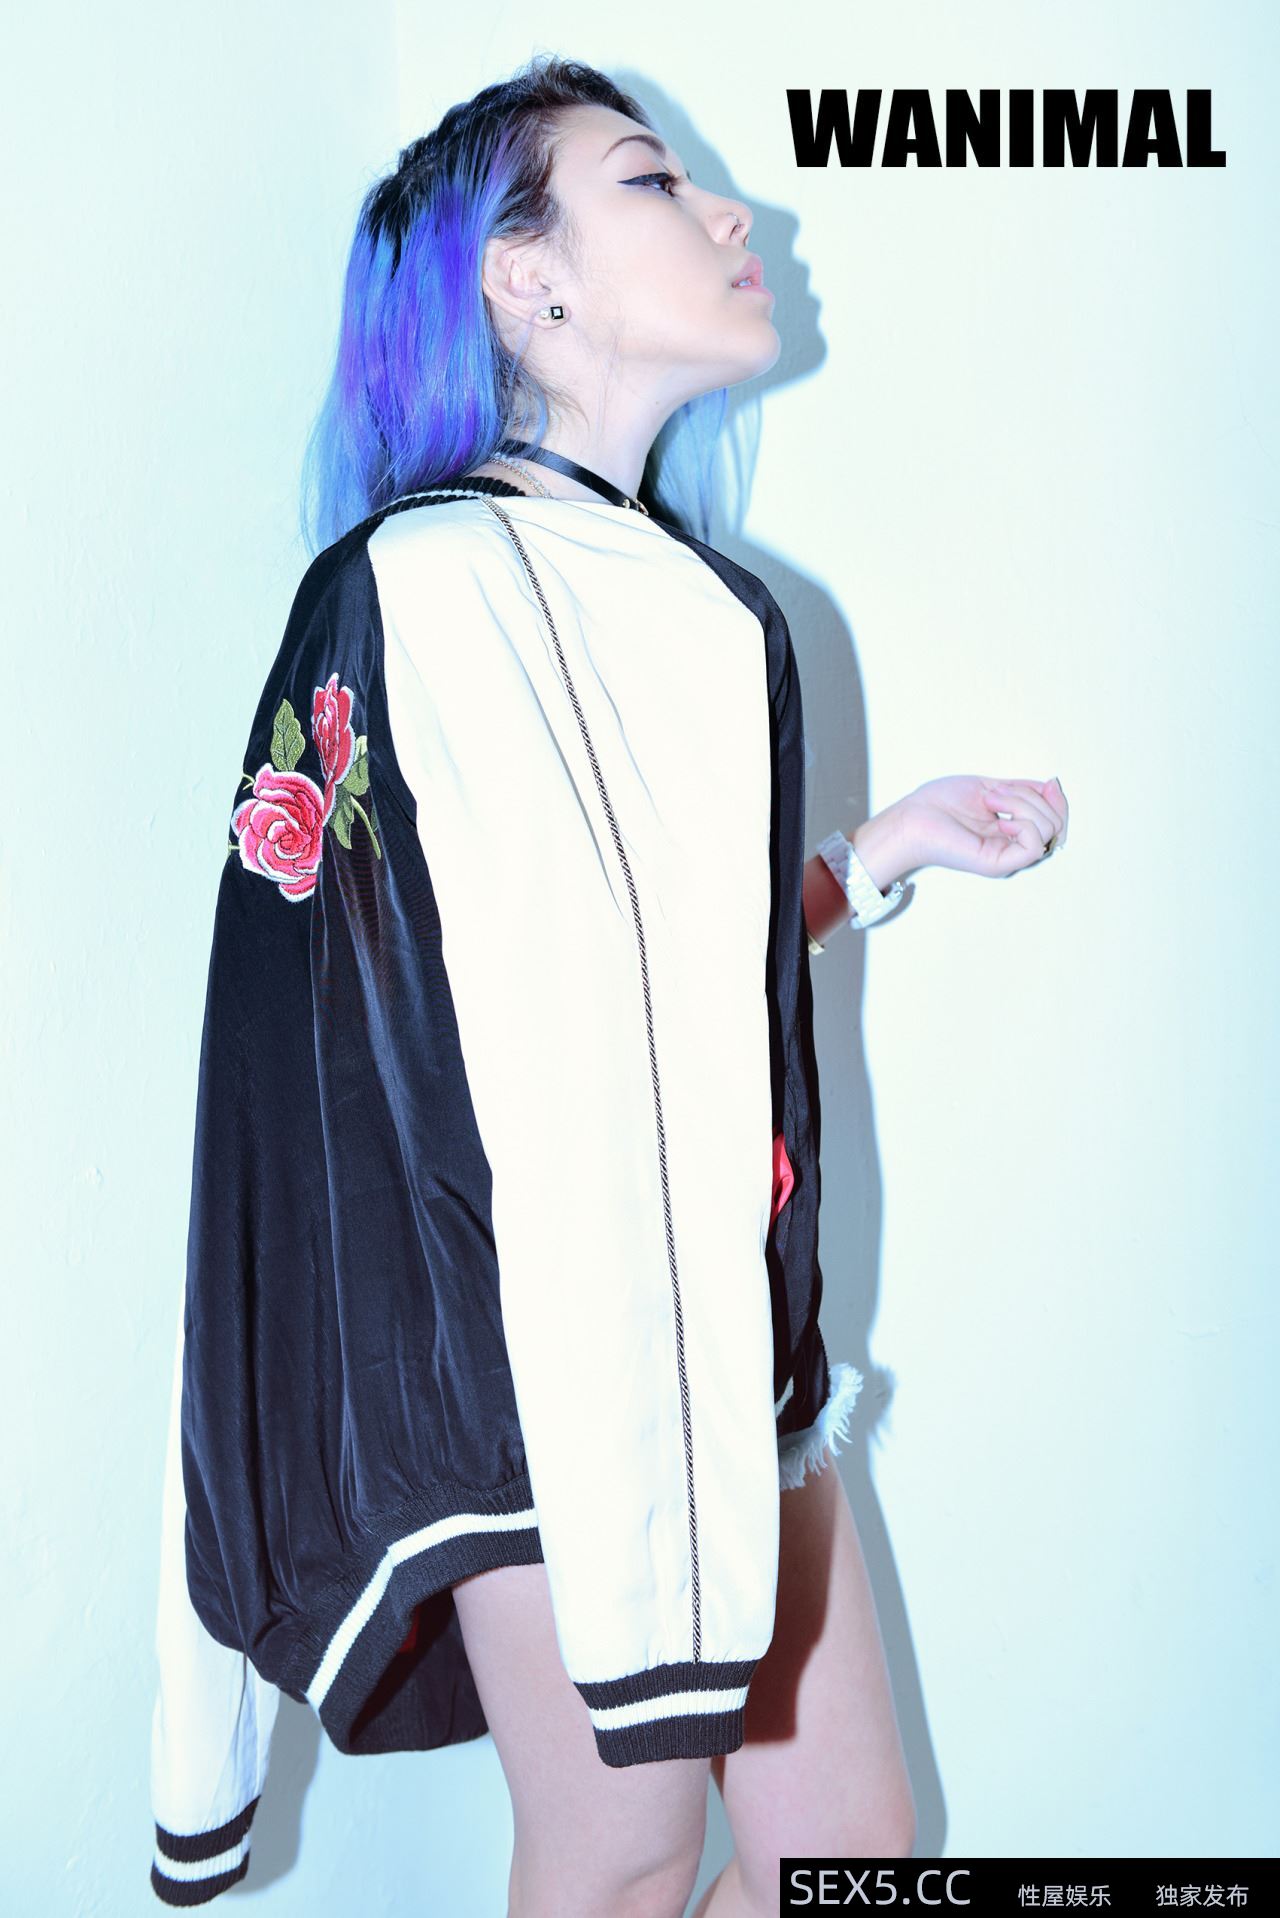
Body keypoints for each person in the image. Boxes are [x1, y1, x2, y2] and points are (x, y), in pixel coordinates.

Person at [148, 54, 1068, 1918]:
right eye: (654, 180)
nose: (736, 213)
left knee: (847, 1852)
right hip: (532, 1357)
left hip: (734, 1334)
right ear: (523, 277)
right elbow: (320, 1033)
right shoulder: (407, 586)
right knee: (627, 1852)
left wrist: (875, 853)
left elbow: (651, 978)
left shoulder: (723, 616)